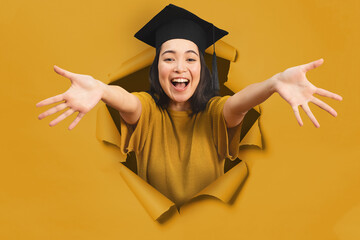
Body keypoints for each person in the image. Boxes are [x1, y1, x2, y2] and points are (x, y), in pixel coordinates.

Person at [36, 4, 342, 207]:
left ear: (202, 69)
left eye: (190, 58)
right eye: (168, 58)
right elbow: (127, 103)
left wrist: (273, 83)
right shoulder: (147, 113)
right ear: (157, 68)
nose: (180, 67)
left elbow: (239, 103)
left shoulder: (215, 114)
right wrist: (102, 90)